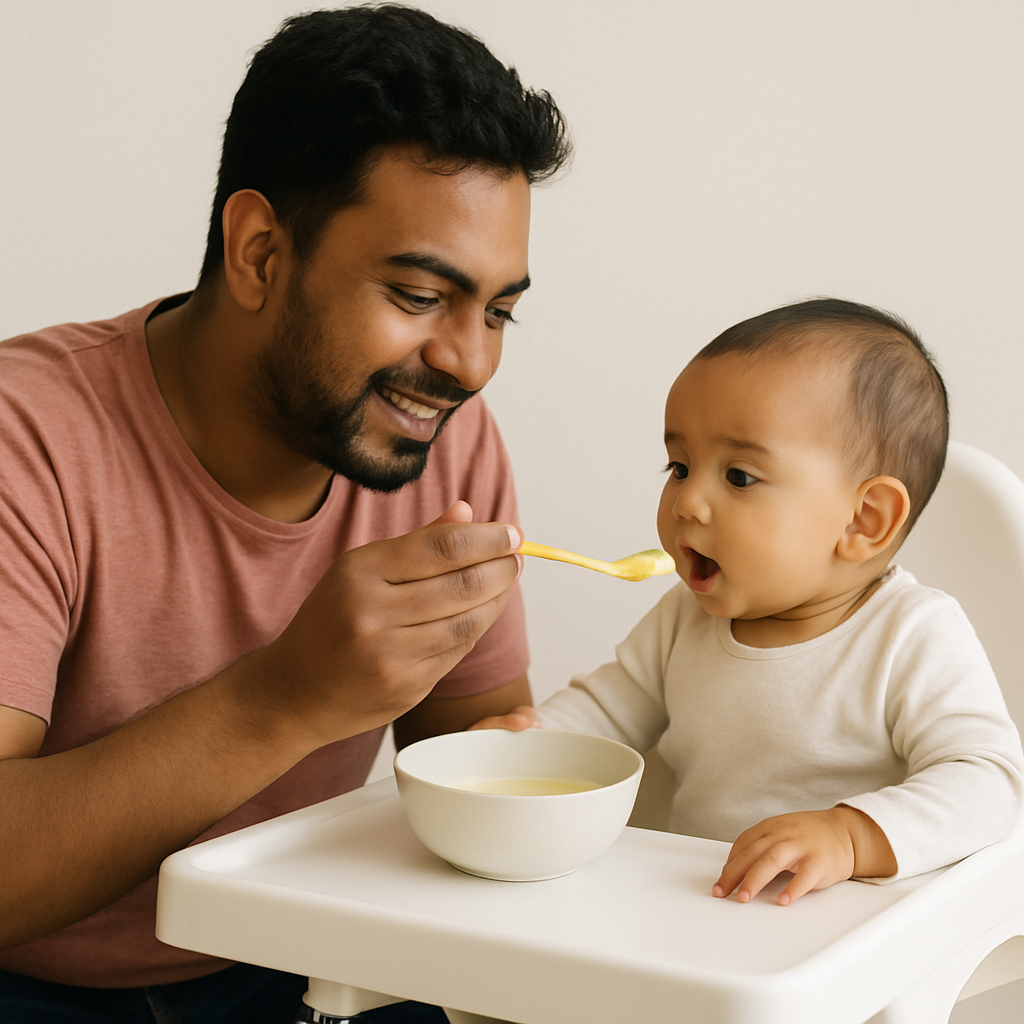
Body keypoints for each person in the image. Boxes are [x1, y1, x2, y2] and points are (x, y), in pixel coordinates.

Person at [0, 5, 568, 1021]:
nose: (471, 363)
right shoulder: (26, 438)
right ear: (260, 251)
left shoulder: (438, 436)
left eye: (498, 312)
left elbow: (470, 759)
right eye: (418, 294)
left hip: (304, 963)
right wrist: (286, 696)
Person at [481, 298, 1024, 907]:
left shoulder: (911, 636)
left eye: (738, 477)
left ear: (864, 520)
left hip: (834, 926)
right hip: (692, 903)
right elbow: (606, 712)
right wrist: (530, 743)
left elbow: (990, 782)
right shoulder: (683, 617)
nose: (688, 502)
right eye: (679, 467)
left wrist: (851, 836)